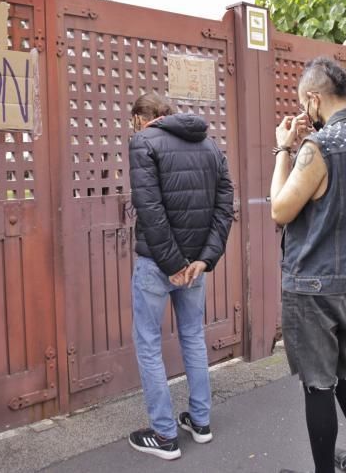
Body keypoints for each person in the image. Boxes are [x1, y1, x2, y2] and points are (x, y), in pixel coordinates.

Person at [272, 57, 346, 473]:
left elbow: (280, 209)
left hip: (313, 282)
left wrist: (283, 149)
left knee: (318, 384)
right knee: (340, 372)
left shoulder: (319, 147)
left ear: (312, 98)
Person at [127, 92, 234, 460]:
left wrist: (172, 264)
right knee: (192, 336)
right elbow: (225, 206)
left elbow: (149, 208)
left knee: (148, 343)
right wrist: (203, 260)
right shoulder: (210, 145)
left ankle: (164, 434)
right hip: (193, 265)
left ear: (142, 118)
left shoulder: (143, 142)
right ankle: (200, 423)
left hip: (159, 264)